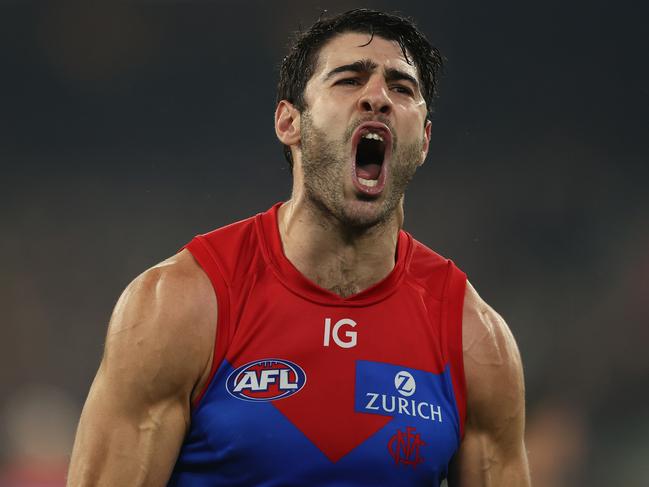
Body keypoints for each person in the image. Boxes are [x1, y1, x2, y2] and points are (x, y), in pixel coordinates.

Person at [67, 9, 531, 486]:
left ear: (426, 140)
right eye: (350, 80)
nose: (378, 98)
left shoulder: (473, 340)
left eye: (402, 88)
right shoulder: (182, 306)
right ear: (289, 122)